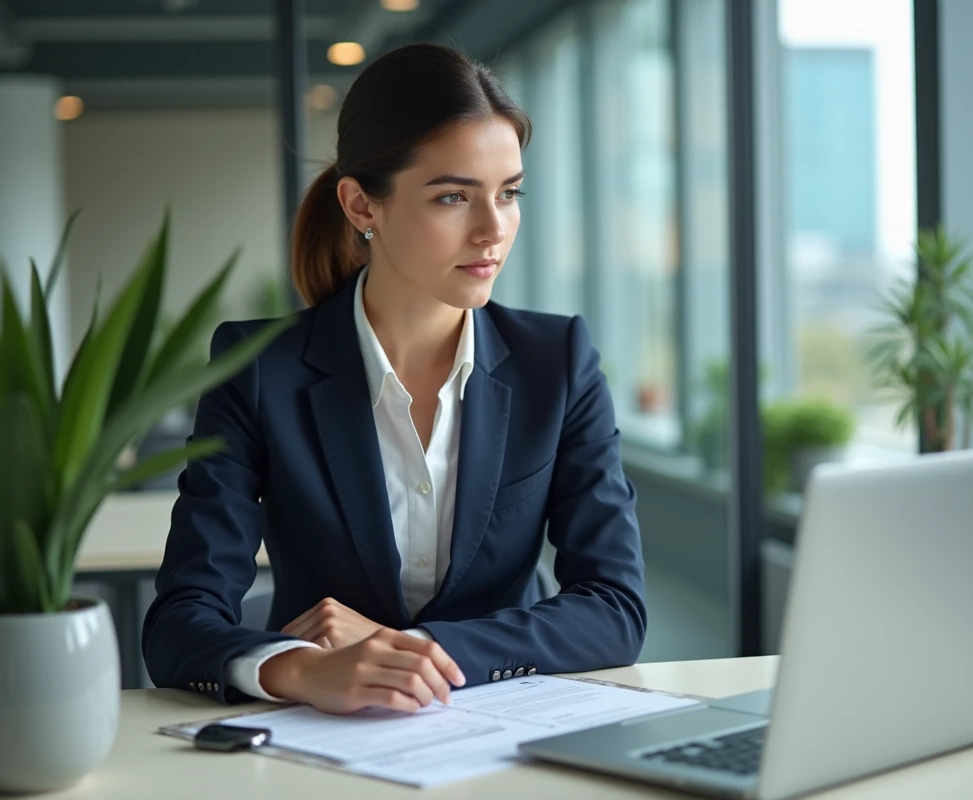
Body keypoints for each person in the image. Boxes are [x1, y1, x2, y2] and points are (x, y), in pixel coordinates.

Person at [142, 42, 646, 715]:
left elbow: (614, 609)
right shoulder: (259, 371)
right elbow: (179, 621)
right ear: (361, 206)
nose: (493, 230)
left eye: (509, 193)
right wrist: (295, 670)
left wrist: (409, 651)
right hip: (315, 741)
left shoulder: (556, 361)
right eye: (451, 197)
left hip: (504, 733)